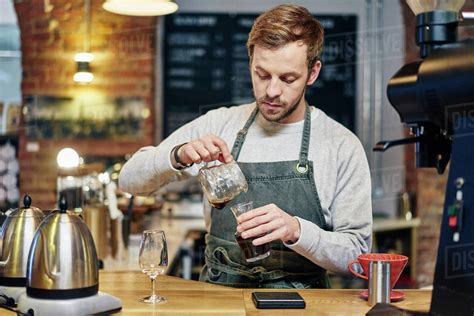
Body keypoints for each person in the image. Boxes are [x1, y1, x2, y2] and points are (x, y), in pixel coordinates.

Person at [119, 4, 372, 289]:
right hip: (219, 298)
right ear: (250, 62)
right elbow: (129, 181)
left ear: (312, 73)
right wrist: (177, 155)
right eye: (262, 74)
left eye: (288, 79)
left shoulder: (341, 145)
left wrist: (296, 230)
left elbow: (359, 256)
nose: (272, 91)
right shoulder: (220, 123)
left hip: (303, 303)